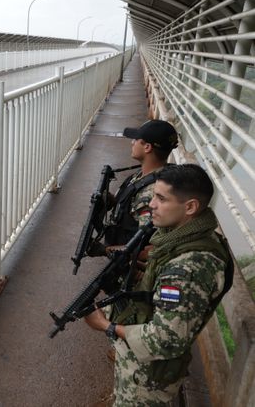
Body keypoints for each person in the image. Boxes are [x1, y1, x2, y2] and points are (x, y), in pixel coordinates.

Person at [84, 164, 233, 406]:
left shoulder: (189, 269)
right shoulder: (184, 237)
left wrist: (106, 326)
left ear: (190, 207)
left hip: (148, 380)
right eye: (154, 195)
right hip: (141, 364)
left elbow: (166, 339)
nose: (152, 204)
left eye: (162, 199)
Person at [99, 119, 179, 252]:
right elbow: (133, 209)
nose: (132, 143)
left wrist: (105, 251)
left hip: (130, 262)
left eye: (136, 140)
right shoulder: (148, 174)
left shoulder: (151, 192)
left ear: (147, 147)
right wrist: (113, 201)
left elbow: (143, 246)